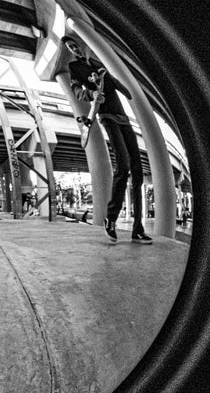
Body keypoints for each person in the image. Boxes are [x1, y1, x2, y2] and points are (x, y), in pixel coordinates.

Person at [64, 36, 153, 244]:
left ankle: (137, 230)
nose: (75, 49)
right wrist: (92, 93)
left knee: (138, 171)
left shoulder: (97, 63)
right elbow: (77, 91)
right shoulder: (74, 67)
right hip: (107, 116)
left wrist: (121, 86)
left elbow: (116, 83)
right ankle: (110, 219)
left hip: (123, 117)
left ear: (82, 45)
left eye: (76, 45)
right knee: (123, 165)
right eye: (70, 48)